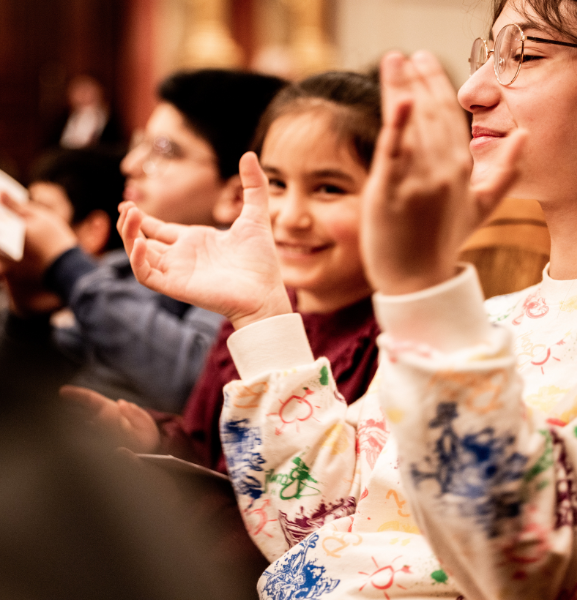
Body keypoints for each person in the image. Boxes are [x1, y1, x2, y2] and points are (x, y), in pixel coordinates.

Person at [115, 0, 577, 597]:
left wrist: (424, 288)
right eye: (488, 55)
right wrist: (264, 312)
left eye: (525, 55)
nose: (471, 91)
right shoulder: (493, 317)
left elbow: (520, 565)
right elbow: (315, 525)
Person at [88, 71, 384, 473]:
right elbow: (207, 448)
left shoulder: (390, 341)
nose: (291, 216)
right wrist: (153, 436)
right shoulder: (248, 308)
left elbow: (331, 497)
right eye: (275, 183)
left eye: (328, 188)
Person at [0, 69, 287, 411]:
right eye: (140, 145)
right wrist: (28, 313)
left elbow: (197, 383)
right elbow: (26, 404)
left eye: (163, 151)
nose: (130, 164)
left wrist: (65, 262)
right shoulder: (122, 265)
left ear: (236, 195)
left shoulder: (260, 278)